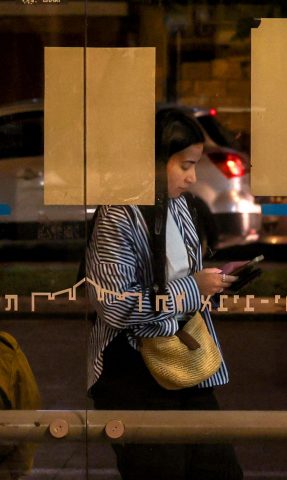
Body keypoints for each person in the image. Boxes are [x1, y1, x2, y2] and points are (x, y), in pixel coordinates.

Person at [85, 110, 243, 480]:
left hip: (185, 366)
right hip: (133, 375)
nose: (193, 177)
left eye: (195, 165)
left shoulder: (179, 205)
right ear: (155, 161)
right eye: (185, 165)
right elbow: (116, 305)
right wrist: (193, 290)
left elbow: (185, 280)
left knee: (221, 471)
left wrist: (213, 285)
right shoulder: (119, 214)